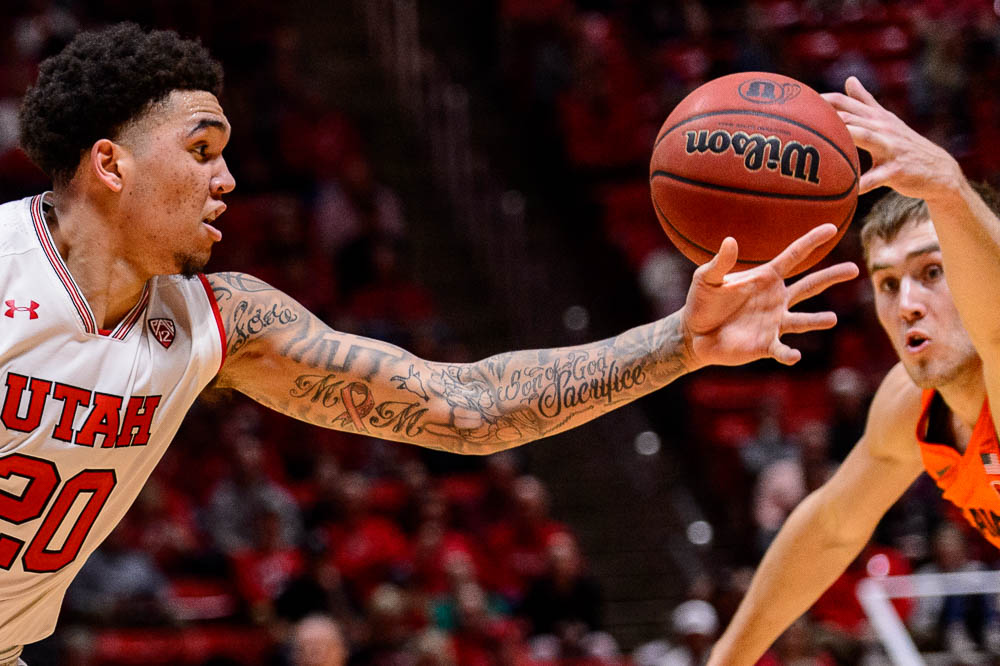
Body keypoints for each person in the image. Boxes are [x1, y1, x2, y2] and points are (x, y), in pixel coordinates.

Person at [0, 23, 856, 663]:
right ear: (111, 165)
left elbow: (468, 409)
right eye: (202, 151)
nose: (228, 180)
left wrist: (682, 343)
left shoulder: (221, 321)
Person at [709, 75, 1000, 664]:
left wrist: (949, 187)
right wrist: (727, 658)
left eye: (933, 271)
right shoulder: (909, 406)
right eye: (888, 283)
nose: (907, 302)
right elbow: (831, 528)